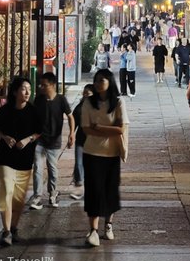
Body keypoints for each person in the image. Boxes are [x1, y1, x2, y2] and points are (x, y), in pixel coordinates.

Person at [81, 69, 129, 247]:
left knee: (110, 190)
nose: (98, 83)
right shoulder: (88, 103)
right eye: (96, 80)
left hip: (112, 153)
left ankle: (108, 225)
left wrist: (99, 127)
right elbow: (86, 129)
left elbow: (121, 129)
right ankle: (93, 231)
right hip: (91, 153)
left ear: (109, 82)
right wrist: (109, 129)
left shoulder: (117, 102)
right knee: (93, 191)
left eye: (102, 80)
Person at [0, 77, 42, 246]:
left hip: (24, 159)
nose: (27, 92)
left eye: (29, 89)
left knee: (18, 199)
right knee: (6, 190)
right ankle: (6, 231)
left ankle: (13, 229)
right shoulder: (4, 110)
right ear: (15, 91)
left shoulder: (33, 111)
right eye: (23, 89)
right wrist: (5, 137)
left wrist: (28, 139)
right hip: (5, 158)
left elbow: (39, 132)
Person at [30, 72, 75, 210]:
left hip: (54, 140)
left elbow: (70, 117)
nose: (42, 87)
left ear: (53, 85)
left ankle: (52, 193)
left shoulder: (61, 100)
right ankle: (37, 196)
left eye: (45, 85)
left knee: (52, 169)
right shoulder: (39, 99)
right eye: (41, 85)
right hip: (39, 139)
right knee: (37, 167)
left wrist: (71, 134)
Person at [71, 84, 94, 200]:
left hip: (93, 141)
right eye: (84, 93)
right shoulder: (79, 107)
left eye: (88, 94)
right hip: (80, 139)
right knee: (79, 163)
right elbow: (73, 121)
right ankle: (79, 186)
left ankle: (89, 189)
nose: (85, 95)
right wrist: (71, 135)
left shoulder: (98, 108)